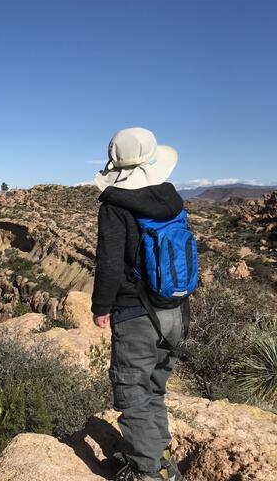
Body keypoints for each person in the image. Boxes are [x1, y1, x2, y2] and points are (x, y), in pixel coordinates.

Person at [92, 127, 188, 481]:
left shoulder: (115, 205)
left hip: (136, 314)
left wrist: (101, 307)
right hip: (176, 311)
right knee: (154, 389)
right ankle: (160, 459)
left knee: (133, 392)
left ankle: (147, 472)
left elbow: (109, 262)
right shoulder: (171, 197)